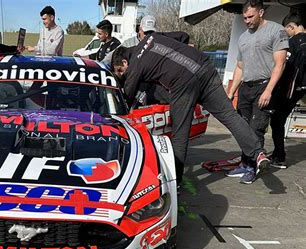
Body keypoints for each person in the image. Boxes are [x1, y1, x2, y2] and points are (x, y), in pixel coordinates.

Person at [111, 34, 270, 185]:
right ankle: (258, 153)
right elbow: (182, 35)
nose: (121, 74)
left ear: (125, 62)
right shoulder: (153, 37)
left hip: (183, 84)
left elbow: (126, 99)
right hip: (204, 67)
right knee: (229, 115)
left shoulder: (134, 65)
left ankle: (176, 183)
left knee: (179, 134)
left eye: (120, 70)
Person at [226, 0, 288, 181]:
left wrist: (269, 90)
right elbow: (239, 67)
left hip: (265, 86)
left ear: (261, 12)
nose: (247, 21)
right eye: (244, 18)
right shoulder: (244, 37)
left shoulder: (276, 31)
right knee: (243, 129)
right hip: (246, 88)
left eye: (250, 16)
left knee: (256, 129)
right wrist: (231, 92)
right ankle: (245, 163)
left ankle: (253, 168)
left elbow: (280, 63)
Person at [269, 12, 306, 168]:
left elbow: (286, 67)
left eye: (286, 30)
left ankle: (279, 157)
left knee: (276, 120)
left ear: (292, 26)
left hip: (292, 88)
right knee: (279, 120)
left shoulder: (294, 42)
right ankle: (278, 153)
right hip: (301, 88)